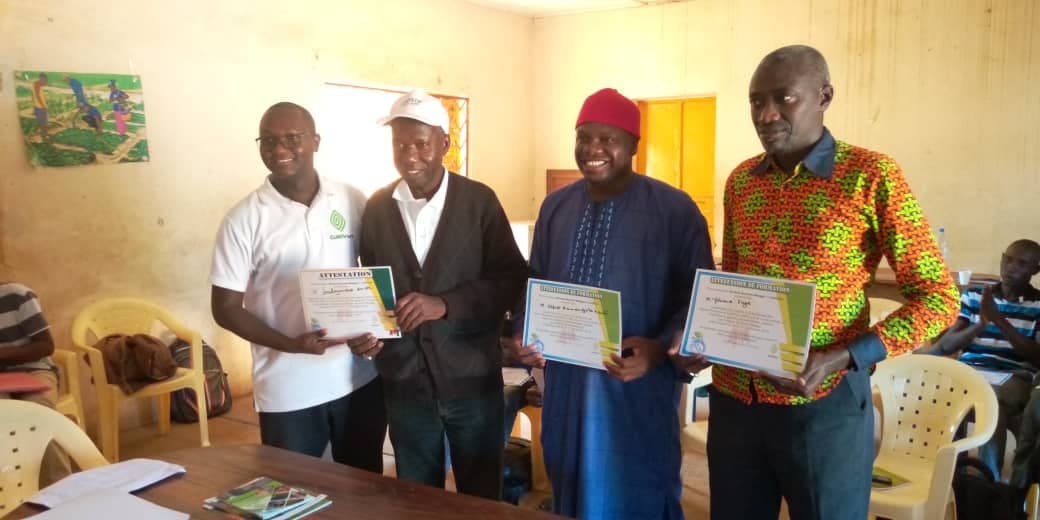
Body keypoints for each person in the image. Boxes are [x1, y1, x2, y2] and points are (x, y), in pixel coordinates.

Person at [671, 45, 960, 520]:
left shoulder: (870, 175)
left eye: (784, 98)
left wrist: (842, 357)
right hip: (737, 400)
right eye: (756, 101)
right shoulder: (742, 181)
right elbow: (737, 283)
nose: (766, 114)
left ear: (824, 96)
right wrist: (707, 339)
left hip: (824, 403)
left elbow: (939, 299)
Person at [509, 88, 714, 519]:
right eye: (584, 137)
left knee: (638, 489)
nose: (593, 149)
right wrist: (525, 332)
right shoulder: (556, 207)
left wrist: (657, 349)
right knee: (570, 485)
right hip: (566, 389)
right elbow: (535, 280)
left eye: (608, 139)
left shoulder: (674, 210)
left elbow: (697, 298)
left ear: (634, 145)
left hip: (635, 390)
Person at [351, 90, 527, 500]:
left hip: (472, 381)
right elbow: (373, 287)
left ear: (445, 143)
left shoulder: (479, 202)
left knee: (480, 493)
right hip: (406, 383)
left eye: (421, 143)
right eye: (400, 144)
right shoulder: (378, 207)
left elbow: (510, 278)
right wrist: (370, 332)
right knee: (417, 493)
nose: (409, 155)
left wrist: (445, 304)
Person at [210, 102, 386, 473]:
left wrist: (375, 332)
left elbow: (372, 274)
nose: (279, 149)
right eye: (268, 141)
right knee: (295, 489)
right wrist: (291, 345)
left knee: (366, 487)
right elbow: (225, 308)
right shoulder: (244, 219)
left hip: (357, 378)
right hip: (288, 389)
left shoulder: (351, 199)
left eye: (292, 138)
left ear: (315, 141)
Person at [918, 239, 1040, 479]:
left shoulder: (1038, 304)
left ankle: (987, 481)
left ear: (1035, 270)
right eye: (1008, 260)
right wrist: (981, 324)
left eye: (1022, 263)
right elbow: (946, 346)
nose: (1011, 267)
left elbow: (1036, 356)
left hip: (1013, 374)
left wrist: (1000, 321)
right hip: (970, 369)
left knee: (990, 402)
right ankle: (943, 473)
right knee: (941, 394)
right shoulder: (976, 296)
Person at [0, 281, 71, 486]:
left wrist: (3, 355)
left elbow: (46, 346)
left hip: (35, 369)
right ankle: (13, 490)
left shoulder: (17, 295)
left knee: (38, 412)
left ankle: (62, 488)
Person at [31, 73, 49, 139]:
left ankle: (44, 135)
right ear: (42, 79)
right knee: (43, 123)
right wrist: (44, 106)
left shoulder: (35, 84)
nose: (45, 83)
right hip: (40, 108)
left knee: (42, 122)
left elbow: (33, 96)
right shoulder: (37, 84)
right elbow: (38, 96)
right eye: (45, 80)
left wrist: (34, 105)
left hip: (39, 107)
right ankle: (44, 136)